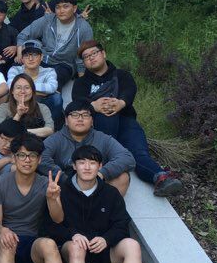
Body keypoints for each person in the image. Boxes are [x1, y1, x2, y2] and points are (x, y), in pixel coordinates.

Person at [42, 145, 145, 263]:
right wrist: (73, 235)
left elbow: (122, 224)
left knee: (132, 245)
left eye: (92, 162)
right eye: (82, 162)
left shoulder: (110, 193)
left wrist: (106, 239)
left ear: (100, 166)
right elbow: (50, 227)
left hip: (102, 250)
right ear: (74, 166)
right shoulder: (61, 191)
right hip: (72, 251)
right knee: (76, 247)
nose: (87, 167)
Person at [72, 41, 184, 197]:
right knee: (105, 140)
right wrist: (93, 106)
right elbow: (77, 102)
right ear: (83, 62)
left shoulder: (122, 75)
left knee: (138, 152)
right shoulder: (81, 83)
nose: (91, 58)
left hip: (125, 120)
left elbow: (129, 91)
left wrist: (120, 103)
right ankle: (100, 178)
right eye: (86, 57)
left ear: (103, 53)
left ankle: (160, 177)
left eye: (94, 53)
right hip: (99, 125)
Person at [40, 100, 135, 196]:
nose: (80, 119)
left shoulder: (103, 138)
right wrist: (64, 178)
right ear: (66, 120)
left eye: (85, 115)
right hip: (65, 188)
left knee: (122, 177)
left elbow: (127, 158)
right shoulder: (55, 139)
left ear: (92, 121)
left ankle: (104, 206)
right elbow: (41, 158)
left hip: (96, 187)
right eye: (75, 115)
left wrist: (101, 174)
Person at [16, 0, 94, 85]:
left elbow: (84, 55)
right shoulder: (48, 20)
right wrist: (19, 54)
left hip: (64, 64)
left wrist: (83, 82)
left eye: (65, 6)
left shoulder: (83, 28)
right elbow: (24, 35)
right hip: (42, 59)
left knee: (54, 79)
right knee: (17, 69)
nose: (61, 10)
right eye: (58, 7)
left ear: (74, 8)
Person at [7, 40, 63, 129]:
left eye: (34, 55)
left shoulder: (49, 71)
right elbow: (11, 86)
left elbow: (52, 87)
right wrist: (41, 92)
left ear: (41, 57)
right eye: (26, 55)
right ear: (22, 59)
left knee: (56, 98)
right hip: (20, 103)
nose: (30, 59)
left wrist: (23, 89)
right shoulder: (15, 70)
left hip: (41, 103)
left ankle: (53, 129)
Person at [0, 73, 54, 139]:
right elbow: (3, 132)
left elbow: (50, 130)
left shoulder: (42, 108)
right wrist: (18, 115)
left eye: (27, 88)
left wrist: (23, 131)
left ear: (32, 91)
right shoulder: (3, 108)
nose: (23, 91)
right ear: (12, 91)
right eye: (18, 88)